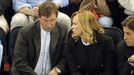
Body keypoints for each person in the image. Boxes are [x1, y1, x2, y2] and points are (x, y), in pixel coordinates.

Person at [11, 1, 68, 75]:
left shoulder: (62, 30)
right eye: (45, 20)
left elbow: (65, 57)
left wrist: (56, 70)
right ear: (39, 17)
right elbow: (20, 62)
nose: (49, 25)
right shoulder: (26, 32)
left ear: (56, 17)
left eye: (52, 20)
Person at [66, 10, 115, 75]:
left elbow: (109, 71)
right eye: (72, 24)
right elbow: (74, 71)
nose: (72, 27)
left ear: (85, 25)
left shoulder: (106, 42)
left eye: (75, 24)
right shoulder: (71, 43)